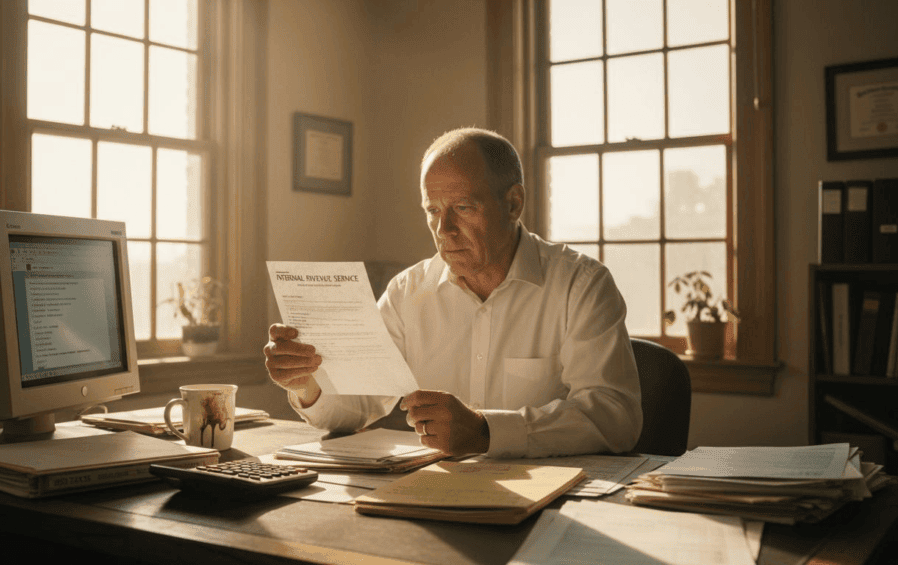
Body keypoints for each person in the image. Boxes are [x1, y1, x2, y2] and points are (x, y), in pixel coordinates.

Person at [264, 127, 642, 459]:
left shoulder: (581, 284)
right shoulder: (406, 293)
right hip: (433, 498)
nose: (444, 228)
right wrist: (307, 384)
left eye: (462, 207)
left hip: (550, 507)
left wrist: (486, 432)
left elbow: (615, 416)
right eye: (432, 210)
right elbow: (359, 404)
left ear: (513, 204)